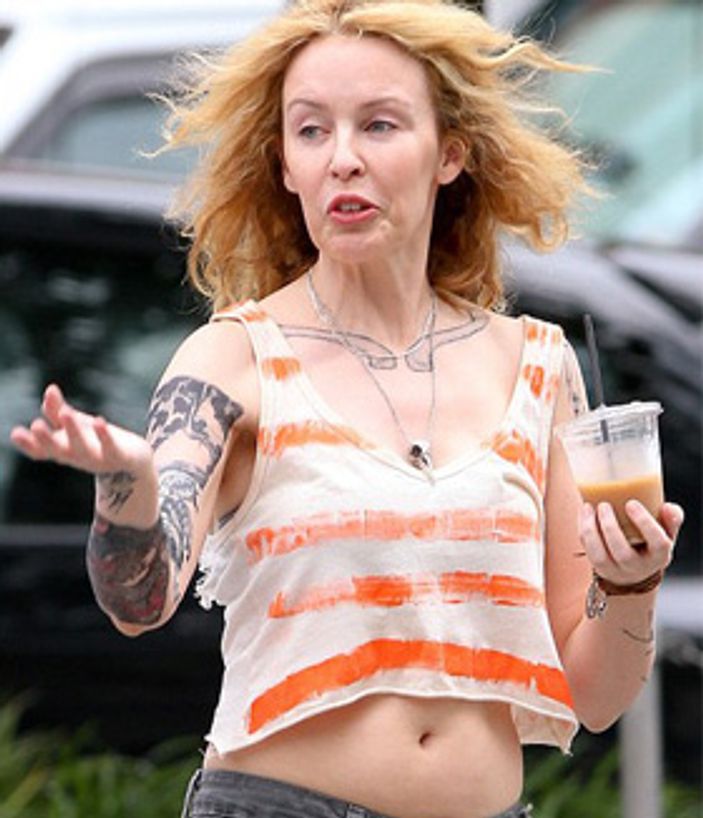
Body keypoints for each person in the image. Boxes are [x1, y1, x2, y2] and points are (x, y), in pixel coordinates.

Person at [10, 1, 684, 817]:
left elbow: (594, 697)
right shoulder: (235, 360)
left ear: (450, 152)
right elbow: (138, 603)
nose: (342, 159)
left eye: (379, 125)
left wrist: (630, 582)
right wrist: (129, 486)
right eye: (311, 131)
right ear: (285, 166)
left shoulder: (536, 367)